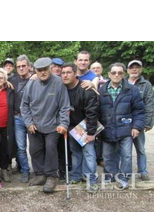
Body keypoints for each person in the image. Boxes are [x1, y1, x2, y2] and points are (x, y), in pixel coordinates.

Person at [21, 57, 70, 193]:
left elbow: (64, 106)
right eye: (39, 70)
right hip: (35, 125)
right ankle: (40, 174)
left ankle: (51, 176)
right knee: (35, 150)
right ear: (35, 71)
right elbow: (24, 105)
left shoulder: (59, 83)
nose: (42, 73)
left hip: (53, 125)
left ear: (50, 69)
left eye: (45, 70)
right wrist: (29, 122)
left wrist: (63, 123)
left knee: (50, 148)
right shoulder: (31, 84)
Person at [99, 62, 145, 189]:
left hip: (126, 129)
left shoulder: (132, 90)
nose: (116, 75)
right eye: (113, 72)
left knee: (126, 155)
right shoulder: (101, 90)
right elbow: (96, 111)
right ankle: (109, 176)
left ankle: (124, 178)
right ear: (109, 74)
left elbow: (139, 110)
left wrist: (136, 127)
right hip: (107, 129)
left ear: (124, 74)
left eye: (119, 72)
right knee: (107, 156)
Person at [61, 63, 99, 193]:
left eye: (68, 72)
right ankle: (76, 176)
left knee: (89, 154)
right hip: (71, 126)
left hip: (85, 125)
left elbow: (92, 112)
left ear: (75, 73)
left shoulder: (86, 89)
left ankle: (92, 181)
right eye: (63, 73)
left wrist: (91, 132)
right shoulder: (62, 88)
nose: (65, 75)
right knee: (75, 153)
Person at [126, 60, 154, 181]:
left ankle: (143, 171)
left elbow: (149, 103)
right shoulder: (123, 82)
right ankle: (125, 172)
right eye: (132, 67)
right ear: (127, 70)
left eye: (137, 67)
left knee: (140, 148)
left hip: (139, 120)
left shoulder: (146, 84)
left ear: (141, 70)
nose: (134, 70)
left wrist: (148, 122)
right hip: (124, 121)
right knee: (124, 149)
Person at [8, 55, 32, 183]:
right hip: (17, 117)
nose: (21, 68)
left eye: (24, 66)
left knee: (34, 147)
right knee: (21, 147)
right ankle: (25, 171)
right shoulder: (12, 80)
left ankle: (40, 171)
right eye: (19, 66)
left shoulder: (35, 79)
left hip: (33, 118)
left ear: (29, 66)